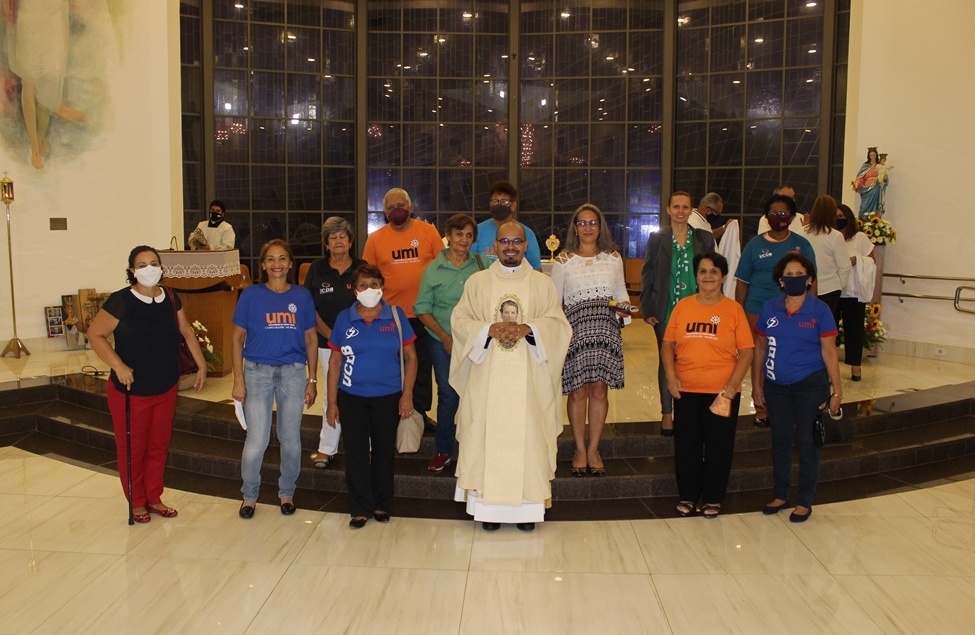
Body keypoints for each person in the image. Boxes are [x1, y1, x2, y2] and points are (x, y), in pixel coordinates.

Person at [450, 221, 572, 532]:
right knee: (485, 434)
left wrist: (529, 329)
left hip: (530, 381)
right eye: (504, 241)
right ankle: (488, 510)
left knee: (529, 437)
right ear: (495, 245)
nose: (510, 247)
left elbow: (559, 326)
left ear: (525, 245)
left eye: (516, 242)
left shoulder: (542, 284)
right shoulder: (478, 283)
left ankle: (527, 510)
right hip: (486, 377)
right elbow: (460, 320)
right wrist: (487, 329)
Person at [88, 245, 207, 523]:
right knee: (133, 450)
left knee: (158, 447)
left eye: (154, 263)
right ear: (132, 271)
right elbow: (95, 334)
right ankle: (137, 502)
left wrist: (201, 364)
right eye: (142, 265)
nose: (149, 269)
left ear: (161, 267)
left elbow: (186, 331)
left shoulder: (171, 297)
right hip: (131, 391)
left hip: (165, 386)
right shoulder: (121, 301)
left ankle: (154, 497)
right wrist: (118, 366)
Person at [662, 252, 754, 518]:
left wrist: (732, 385)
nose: (708, 276)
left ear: (723, 276)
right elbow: (667, 344)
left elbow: (747, 351)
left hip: (722, 392)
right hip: (686, 389)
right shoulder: (683, 307)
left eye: (714, 271)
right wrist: (671, 377)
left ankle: (713, 497)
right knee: (686, 445)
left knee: (719, 446)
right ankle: (688, 495)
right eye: (702, 271)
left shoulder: (733, 310)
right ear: (696, 276)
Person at [753, 253, 843, 523]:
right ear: (781, 281)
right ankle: (781, 494)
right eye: (789, 275)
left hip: (809, 385)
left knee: (806, 442)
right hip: (776, 387)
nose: (794, 279)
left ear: (810, 279)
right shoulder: (770, 308)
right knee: (780, 440)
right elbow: (760, 347)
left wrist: (837, 391)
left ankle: (804, 499)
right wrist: (757, 384)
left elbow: (829, 352)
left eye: (800, 275)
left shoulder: (820, 310)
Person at [327, 263, 418, 529]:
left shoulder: (396, 316)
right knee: (355, 454)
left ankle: (381, 503)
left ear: (382, 287)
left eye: (374, 284)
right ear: (354, 290)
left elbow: (412, 358)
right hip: (351, 397)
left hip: (388, 397)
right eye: (363, 285)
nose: (369, 290)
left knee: (383, 452)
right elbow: (335, 361)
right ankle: (359, 507)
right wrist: (332, 403)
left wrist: (407, 396)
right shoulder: (344, 318)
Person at [232, 239, 318, 519]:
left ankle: (287, 492)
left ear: (290, 263)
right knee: (257, 439)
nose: (276, 264)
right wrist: (238, 379)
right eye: (270, 259)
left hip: (293, 373)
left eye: (282, 258)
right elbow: (237, 339)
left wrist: (312, 380)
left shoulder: (302, 296)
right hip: (257, 373)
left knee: (290, 438)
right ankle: (249, 495)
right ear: (263, 264)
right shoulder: (250, 295)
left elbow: (310, 339)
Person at [551, 203, 630, 477]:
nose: (587, 227)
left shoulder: (613, 258)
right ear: (575, 228)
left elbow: (620, 291)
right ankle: (579, 450)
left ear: (600, 226)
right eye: (582, 223)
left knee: (599, 390)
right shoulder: (563, 261)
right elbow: (555, 303)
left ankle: (594, 449)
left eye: (592, 222)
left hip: (605, 330)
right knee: (578, 391)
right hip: (576, 333)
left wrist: (625, 309)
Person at [362, 188, 443, 430]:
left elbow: (442, 266)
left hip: (424, 314)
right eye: (390, 207)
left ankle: (419, 414)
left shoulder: (428, 232)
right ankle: (392, 414)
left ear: (411, 207)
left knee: (422, 366)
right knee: (391, 367)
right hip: (391, 315)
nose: (396, 210)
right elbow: (368, 277)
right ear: (384, 212)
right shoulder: (376, 240)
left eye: (400, 205)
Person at [735, 194, 816, 427]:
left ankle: (787, 405)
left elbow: (812, 279)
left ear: (791, 217)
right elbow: (742, 282)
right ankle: (762, 407)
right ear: (766, 217)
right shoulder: (754, 245)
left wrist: (811, 308)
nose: (778, 217)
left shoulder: (801, 245)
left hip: (792, 310)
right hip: (756, 309)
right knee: (760, 358)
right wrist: (739, 313)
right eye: (773, 213)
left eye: (783, 213)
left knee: (787, 355)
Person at [639, 191, 715, 436]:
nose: (680, 211)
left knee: (696, 359)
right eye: (676, 206)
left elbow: (713, 272)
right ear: (668, 209)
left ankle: (691, 411)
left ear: (691, 210)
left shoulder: (704, 238)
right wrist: (648, 308)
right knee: (667, 361)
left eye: (685, 207)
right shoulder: (657, 239)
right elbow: (648, 273)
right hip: (666, 310)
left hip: (698, 311)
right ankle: (667, 413)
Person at [414, 213, 484, 473]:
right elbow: (422, 308)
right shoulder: (433, 269)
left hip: (476, 341)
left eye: (469, 235)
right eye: (458, 234)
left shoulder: (482, 265)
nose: (463, 239)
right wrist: (445, 337)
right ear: (448, 236)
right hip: (441, 341)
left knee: (476, 393)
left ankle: (475, 449)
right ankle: (443, 450)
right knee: (448, 394)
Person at [303, 217, 366, 470]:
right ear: (326, 243)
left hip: (359, 344)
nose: (338, 241)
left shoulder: (362, 267)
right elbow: (309, 308)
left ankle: (363, 445)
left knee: (360, 394)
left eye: (342, 236)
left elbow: (370, 304)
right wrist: (332, 336)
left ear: (350, 241)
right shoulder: (317, 269)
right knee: (333, 394)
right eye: (333, 237)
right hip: (327, 343)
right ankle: (326, 448)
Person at [835, 203, 875, 381]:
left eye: (841, 216)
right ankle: (829, 367)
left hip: (853, 292)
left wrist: (856, 260)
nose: (838, 220)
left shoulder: (859, 238)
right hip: (833, 289)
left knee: (854, 329)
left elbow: (872, 260)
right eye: (835, 217)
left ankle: (855, 366)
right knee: (829, 330)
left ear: (848, 218)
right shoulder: (830, 237)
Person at [470, 180, 543, 270]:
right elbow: (468, 265)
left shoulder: (526, 233)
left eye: (504, 201)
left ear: (514, 205)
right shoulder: (477, 231)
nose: (499, 205)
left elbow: (536, 269)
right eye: (495, 201)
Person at [802, 195, 851, 313]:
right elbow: (845, 266)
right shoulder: (835, 235)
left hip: (806, 286)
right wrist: (839, 285)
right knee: (825, 322)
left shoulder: (801, 232)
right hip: (830, 289)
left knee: (805, 321)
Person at [852, 147, 884, 218]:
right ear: (868, 156)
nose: (872, 157)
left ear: (876, 155)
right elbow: (860, 178)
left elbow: (884, 176)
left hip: (876, 187)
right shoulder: (865, 166)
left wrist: (884, 178)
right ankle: (863, 219)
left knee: (875, 204)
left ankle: (875, 219)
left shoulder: (879, 166)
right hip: (866, 189)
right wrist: (856, 184)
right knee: (865, 205)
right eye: (871, 155)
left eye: (873, 155)